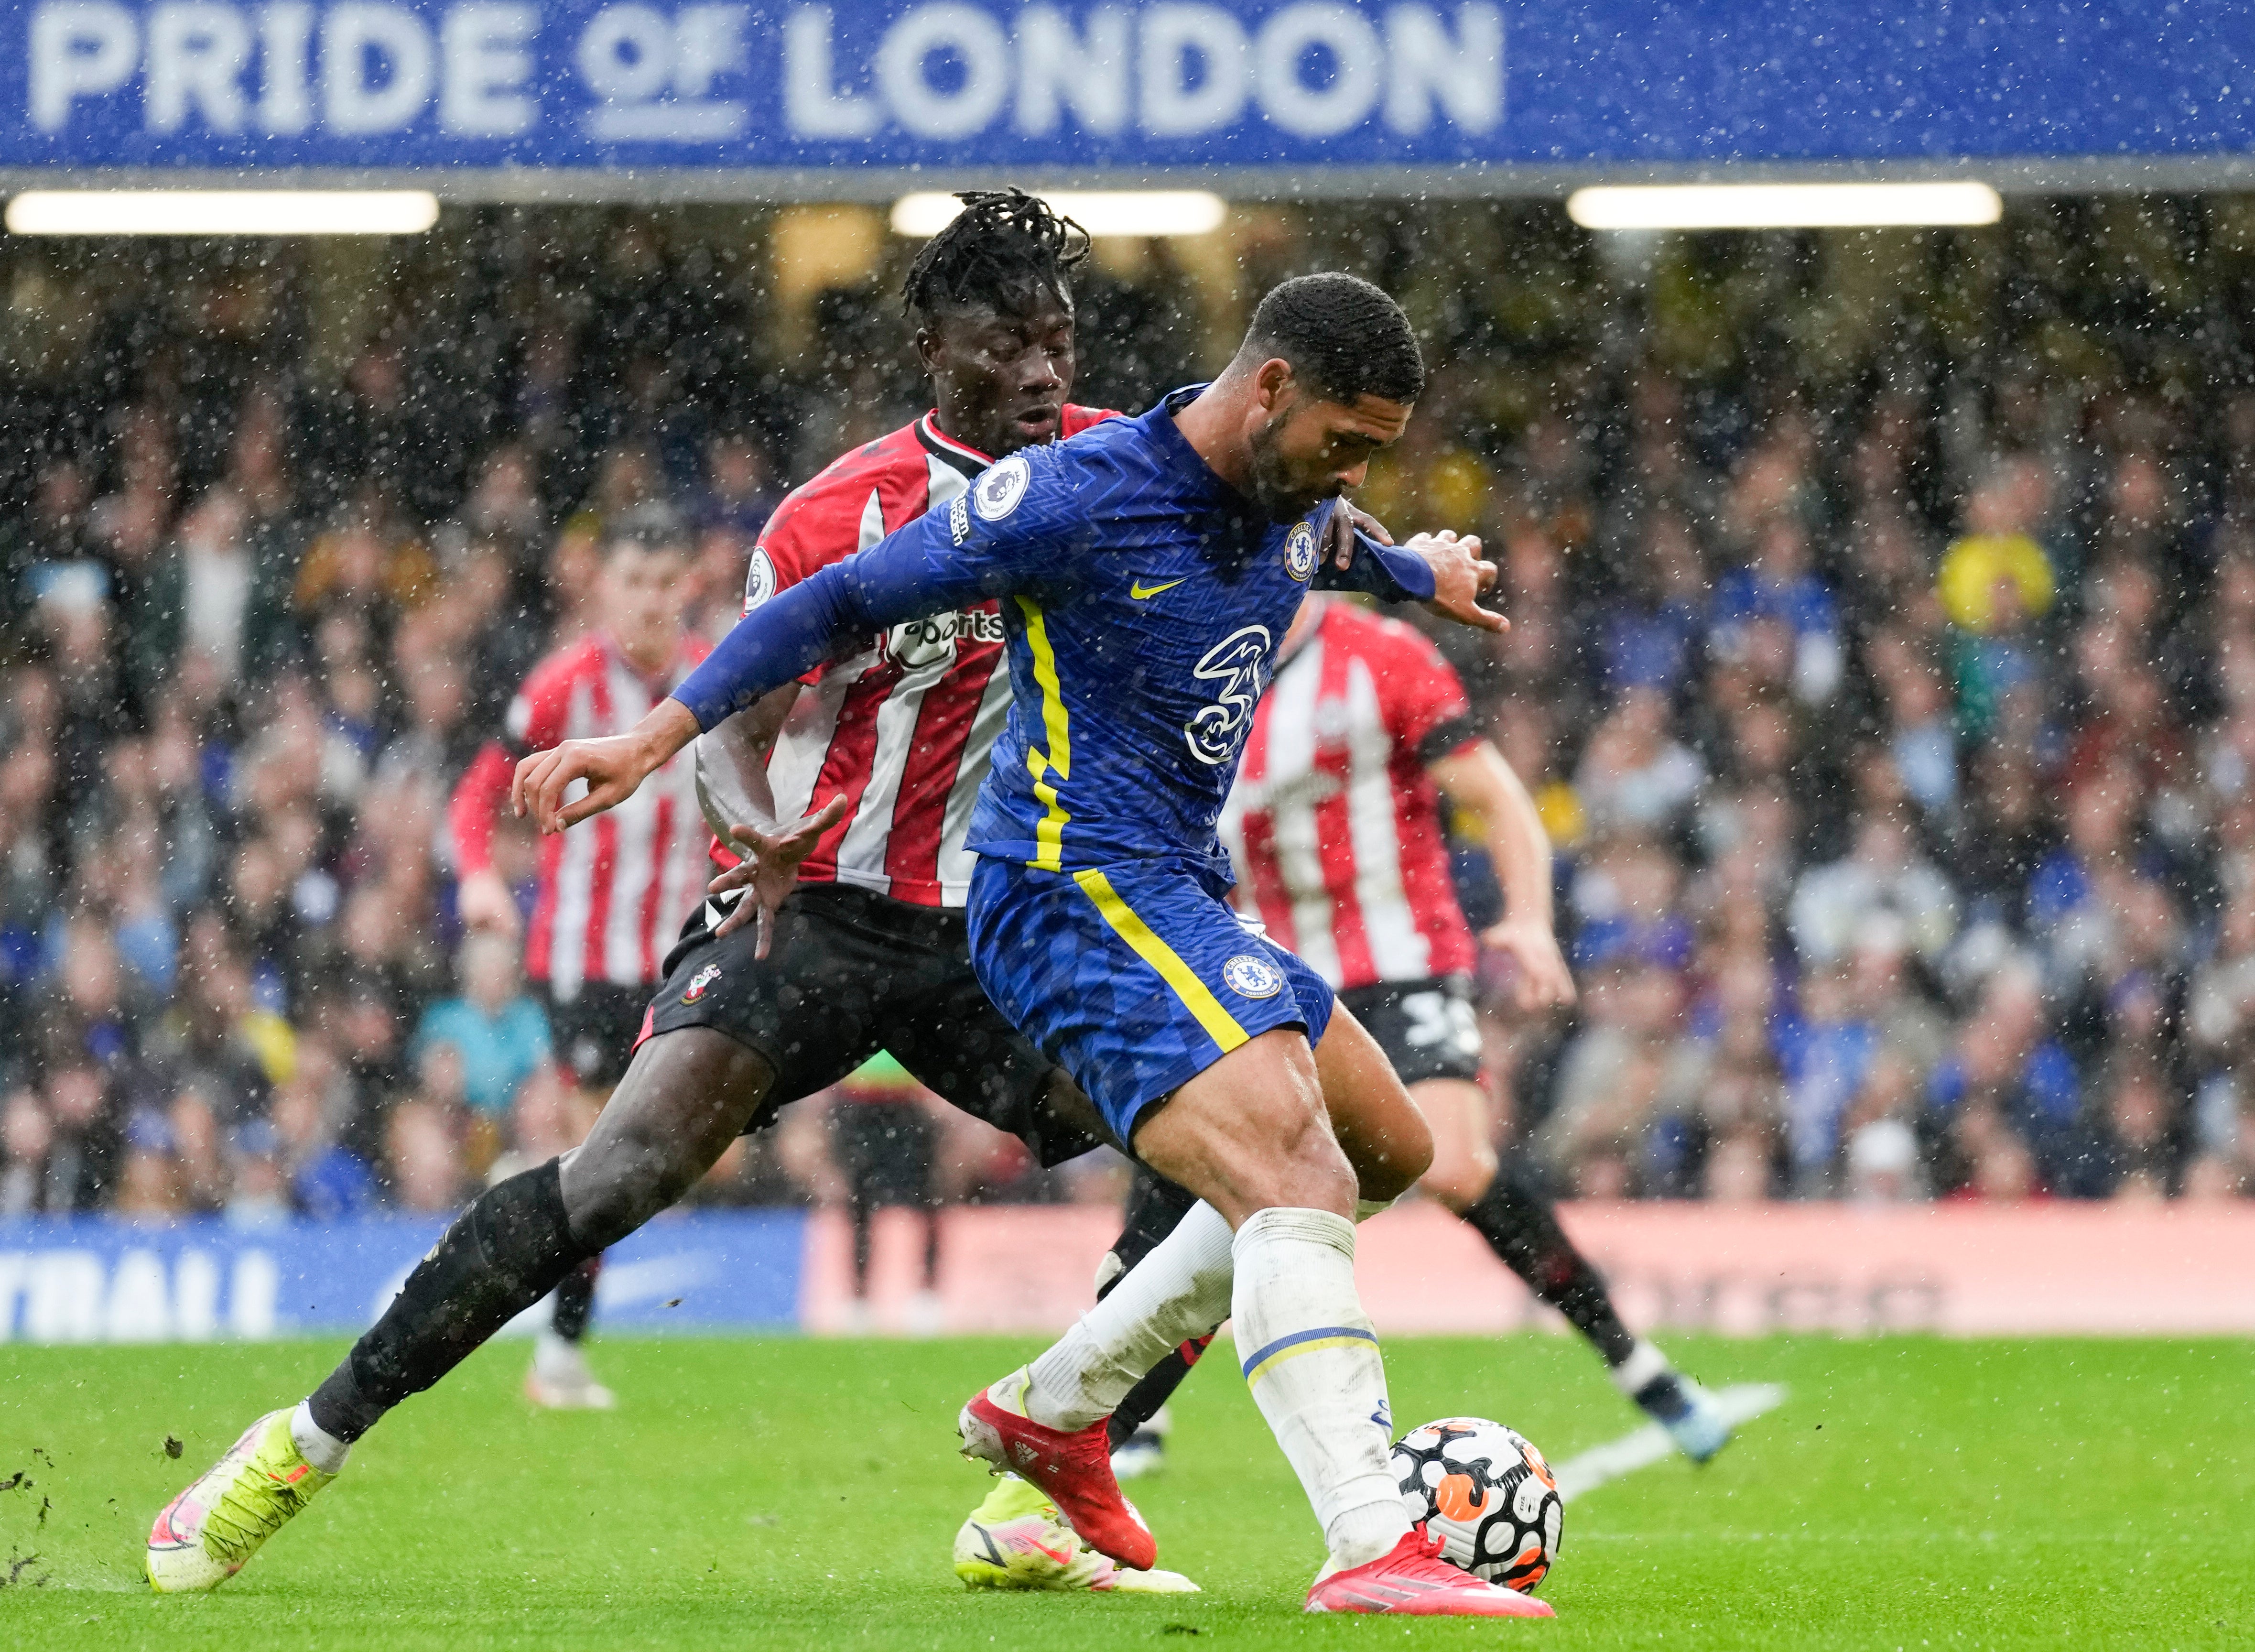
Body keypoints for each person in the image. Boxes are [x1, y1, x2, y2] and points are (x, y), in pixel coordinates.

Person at [144, 189, 1188, 1598]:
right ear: (933, 347)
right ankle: (300, 1444)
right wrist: (750, 828)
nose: (1042, 372)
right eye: (1006, 344)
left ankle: (1049, 1489)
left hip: (987, 931)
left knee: (1199, 1143)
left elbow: (1257, 505)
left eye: (1057, 340)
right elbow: (737, 719)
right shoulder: (834, 515)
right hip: (804, 908)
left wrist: (1390, 562)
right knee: (618, 1177)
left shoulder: (1108, 469)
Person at [508, 274, 1547, 1617]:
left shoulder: (1288, 500)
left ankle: (1052, 1410)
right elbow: (832, 605)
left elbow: (1334, 542)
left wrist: (1422, 571)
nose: (1351, 474)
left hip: (1171, 889)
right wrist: (650, 741)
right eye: (1344, 442)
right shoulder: (1074, 493)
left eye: (1375, 455)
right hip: (1064, 891)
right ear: (1270, 388)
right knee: (1291, 1167)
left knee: (1381, 1152)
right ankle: (1367, 1539)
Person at [1078, 590, 1733, 1490]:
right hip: (1259, 972)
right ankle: (1109, 1419)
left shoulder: (1381, 657)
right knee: (1196, 1173)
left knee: (1454, 1166)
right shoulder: (1188, 669)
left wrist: (1531, 921)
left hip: (1398, 964)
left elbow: (1496, 799)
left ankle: (1635, 1365)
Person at [447, 513, 712, 1409]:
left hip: (683, 950)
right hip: (584, 963)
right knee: (608, 1156)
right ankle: (555, 1352)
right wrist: (480, 879)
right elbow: (476, 797)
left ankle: (517, 1206)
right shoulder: (564, 684)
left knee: (651, 1157)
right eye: (633, 581)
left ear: (688, 587)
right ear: (606, 590)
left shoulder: (717, 677)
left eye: (664, 581)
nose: (649, 599)